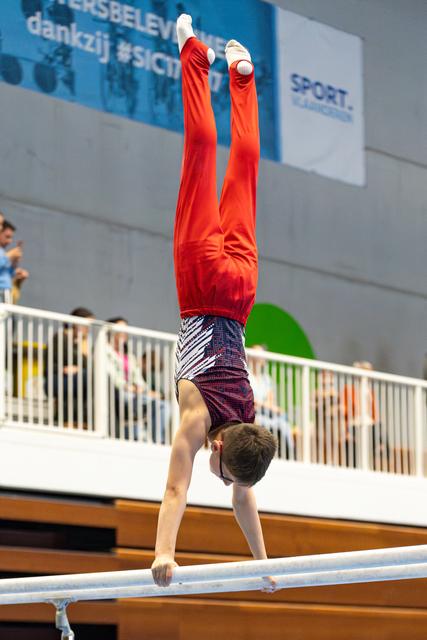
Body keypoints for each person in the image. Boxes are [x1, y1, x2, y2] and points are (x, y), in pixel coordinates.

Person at [151, 15, 277, 590]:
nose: (220, 478)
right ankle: (192, 57)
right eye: (221, 472)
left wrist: (263, 565)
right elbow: (177, 488)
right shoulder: (201, 419)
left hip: (243, 290)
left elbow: (244, 500)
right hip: (201, 285)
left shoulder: (248, 428)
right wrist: (163, 555)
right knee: (198, 156)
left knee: (243, 173)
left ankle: (243, 76)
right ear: (221, 445)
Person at [106, 317, 170, 442]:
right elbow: (113, 378)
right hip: (119, 393)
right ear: (111, 331)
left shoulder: (129, 356)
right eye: (121, 329)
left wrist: (145, 390)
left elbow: (139, 380)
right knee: (145, 399)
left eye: (126, 330)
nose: (124, 333)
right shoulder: (105, 351)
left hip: (135, 393)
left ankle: (158, 441)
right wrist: (130, 388)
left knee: (164, 405)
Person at [44, 307, 95, 425]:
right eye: (86, 325)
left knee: (89, 379)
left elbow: (89, 366)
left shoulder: (85, 343)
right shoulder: (61, 338)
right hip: (56, 379)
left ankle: (81, 421)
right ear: (76, 323)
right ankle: (68, 421)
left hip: (76, 379)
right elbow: (54, 363)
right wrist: (68, 368)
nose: (88, 330)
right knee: (87, 376)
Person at [248, 345, 294, 459]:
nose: (259, 357)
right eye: (255, 354)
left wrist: (270, 407)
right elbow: (249, 399)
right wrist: (264, 405)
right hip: (253, 412)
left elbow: (270, 401)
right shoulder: (246, 374)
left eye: (261, 355)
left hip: (266, 413)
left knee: (284, 422)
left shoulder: (267, 379)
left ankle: (290, 455)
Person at [0, 221, 26, 302]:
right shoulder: (5, 254)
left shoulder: (3, 252)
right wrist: (9, 256)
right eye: (7, 237)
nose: (10, 241)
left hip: (6, 291)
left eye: (11, 238)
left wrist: (14, 266)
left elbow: (6, 274)